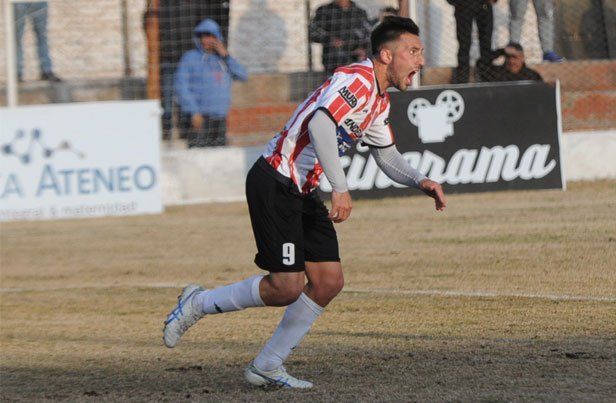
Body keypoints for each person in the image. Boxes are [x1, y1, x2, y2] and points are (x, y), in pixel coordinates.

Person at [162, 16, 447, 389]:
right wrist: (340, 188)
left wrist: (420, 180)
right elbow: (320, 125)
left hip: (302, 189)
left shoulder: (378, 101)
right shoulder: (356, 80)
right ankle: (197, 303)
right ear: (386, 54)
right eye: (414, 51)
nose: (420, 61)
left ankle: (267, 365)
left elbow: (386, 155)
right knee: (286, 287)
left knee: (328, 282)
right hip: (275, 181)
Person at [174, 19, 248, 148]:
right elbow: (181, 87)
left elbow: (242, 75)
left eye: (211, 36)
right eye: (204, 36)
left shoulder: (223, 59)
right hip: (200, 118)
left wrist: (226, 55)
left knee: (218, 154)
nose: (207, 40)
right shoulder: (190, 58)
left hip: (220, 117)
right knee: (198, 154)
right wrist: (193, 112)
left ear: (218, 38)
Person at [309, 0, 373, 75]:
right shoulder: (324, 11)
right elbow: (313, 33)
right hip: (334, 64)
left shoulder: (359, 12)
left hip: (356, 64)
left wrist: (362, 48)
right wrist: (330, 40)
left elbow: (368, 34)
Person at [448, 0, 496, 84]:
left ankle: (486, 78)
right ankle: (463, 80)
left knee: (486, 44)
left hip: (484, 3)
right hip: (464, 4)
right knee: (464, 45)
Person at [13, 1, 61, 82]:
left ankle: (46, 71)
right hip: (19, 2)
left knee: (42, 36)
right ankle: (17, 72)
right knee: (17, 38)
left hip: (39, 2)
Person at [477, 42, 543, 82]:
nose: (511, 61)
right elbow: (481, 63)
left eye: (515, 57)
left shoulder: (531, 75)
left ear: (522, 58)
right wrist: (501, 51)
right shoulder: (497, 73)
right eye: (508, 57)